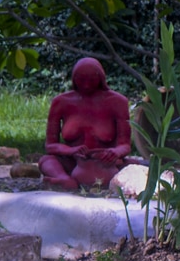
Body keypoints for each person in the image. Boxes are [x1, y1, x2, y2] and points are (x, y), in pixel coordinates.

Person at [38, 57, 132, 191]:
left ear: (101, 78)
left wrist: (115, 152)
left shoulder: (117, 102)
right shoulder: (61, 102)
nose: (86, 85)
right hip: (73, 162)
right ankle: (64, 179)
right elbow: (50, 145)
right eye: (81, 80)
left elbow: (125, 145)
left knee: (136, 166)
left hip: (105, 164)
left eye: (91, 80)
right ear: (73, 79)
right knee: (46, 161)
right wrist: (70, 150)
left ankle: (71, 181)